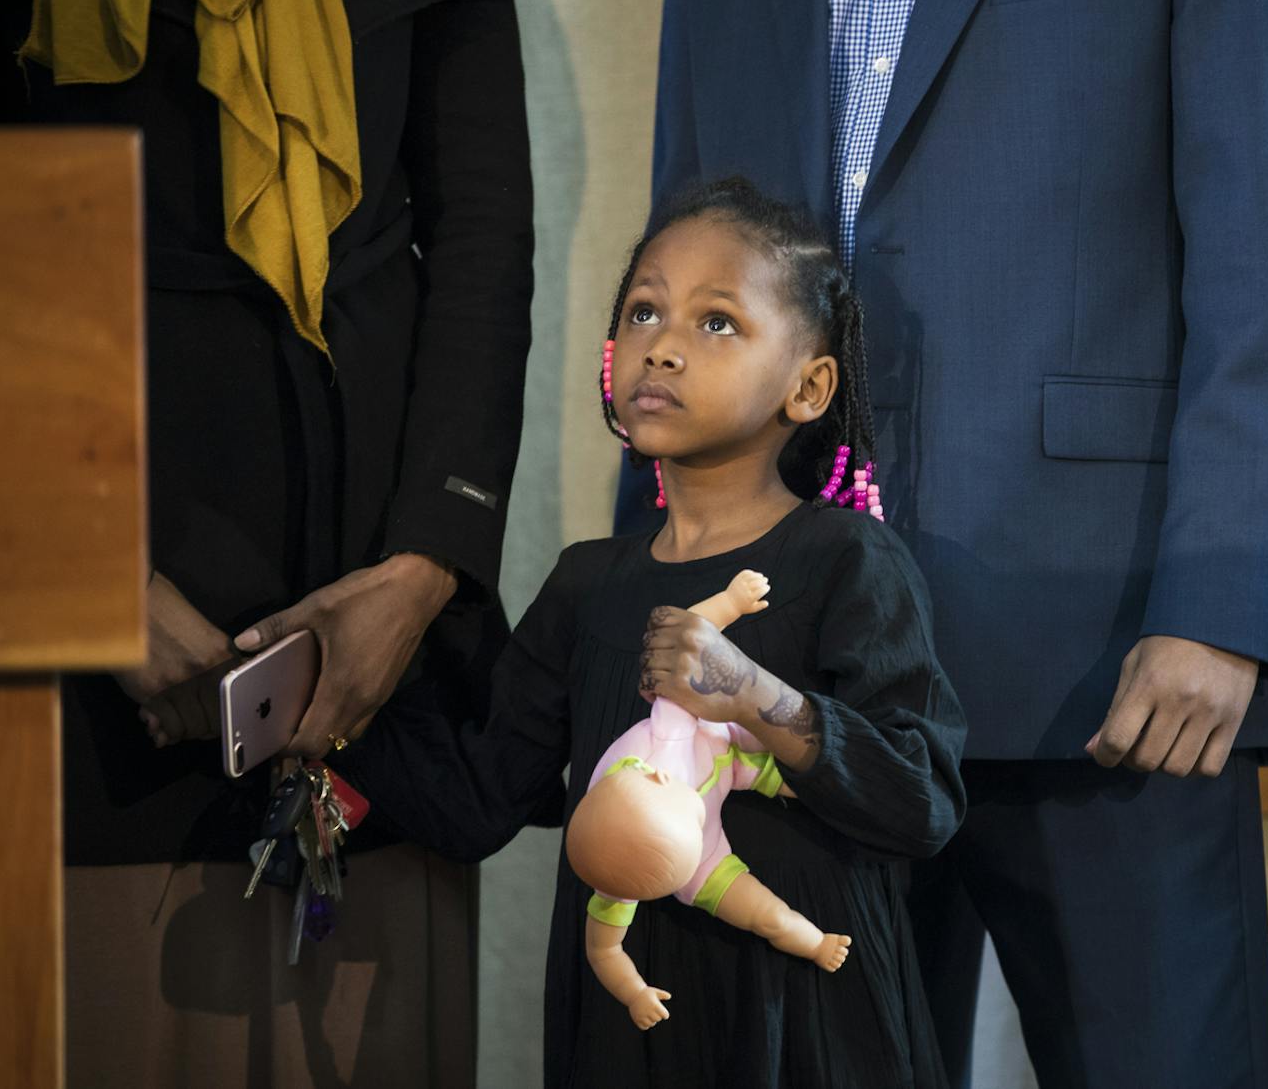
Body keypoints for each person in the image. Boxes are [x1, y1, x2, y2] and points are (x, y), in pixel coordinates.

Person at [640, 0, 1268, 1085]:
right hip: (787, 676)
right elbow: (682, 282)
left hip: (1110, 659)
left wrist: (1227, 600)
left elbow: (1264, 248)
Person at [0, 0, 539, 1083]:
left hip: (375, 613)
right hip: (75, 609)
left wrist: (428, 564)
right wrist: (88, 579)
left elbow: (482, 221)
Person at [334, 179, 969, 1088]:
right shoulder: (590, 584)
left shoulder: (848, 561)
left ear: (809, 385)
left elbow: (924, 800)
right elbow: (478, 798)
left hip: (809, 1023)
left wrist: (759, 696)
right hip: (627, 1028)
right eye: (642, 311)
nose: (663, 346)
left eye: (716, 323)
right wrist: (321, 704)